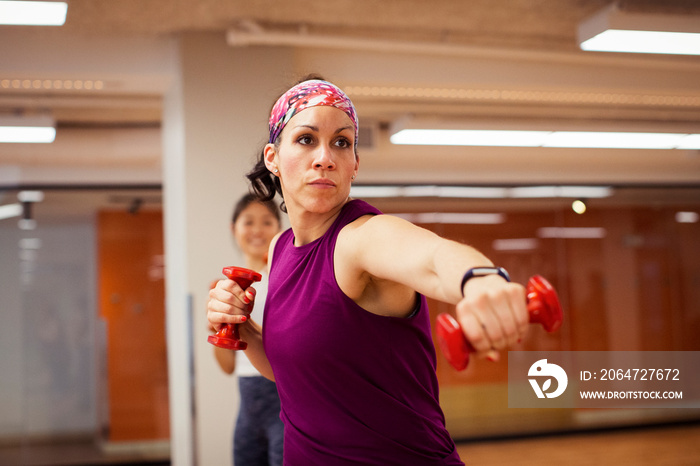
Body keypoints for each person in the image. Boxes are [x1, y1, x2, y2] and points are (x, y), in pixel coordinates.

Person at [208, 77, 529, 465]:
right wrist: (245, 330)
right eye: (306, 139)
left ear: (354, 164)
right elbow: (294, 375)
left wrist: (480, 280)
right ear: (273, 157)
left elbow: (431, 257)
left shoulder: (359, 238)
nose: (325, 156)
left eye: (341, 142)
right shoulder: (280, 248)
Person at [209, 193, 284, 466]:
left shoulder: (286, 281)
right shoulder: (224, 289)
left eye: (267, 222)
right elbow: (228, 366)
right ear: (234, 228)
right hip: (248, 409)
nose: (257, 230)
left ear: (279, 228)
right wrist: (216, 331)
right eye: (248, 222)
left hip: (284, 401)